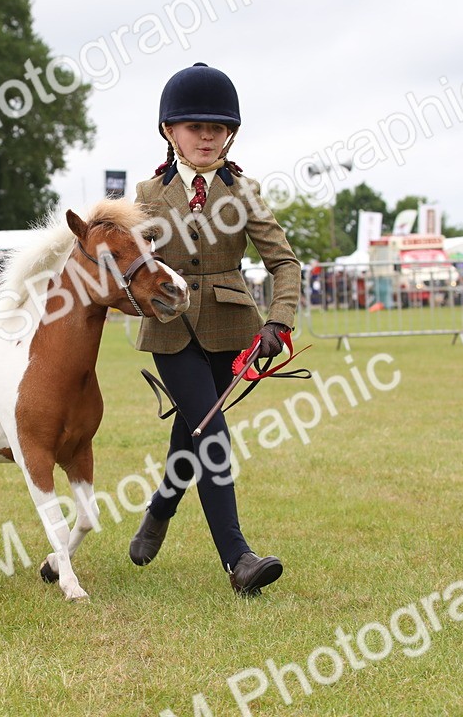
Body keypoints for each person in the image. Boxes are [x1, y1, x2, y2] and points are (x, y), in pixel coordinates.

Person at [128, 62, 302, 597]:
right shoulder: (146, 193)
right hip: (170, 328)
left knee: (192, 429)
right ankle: (239, 558)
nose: (207, 136)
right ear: (169, 131)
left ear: (230, 134)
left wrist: (279, 320)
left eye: (218, 128)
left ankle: (160, 507)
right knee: (210, 429)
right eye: (195, 126)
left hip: (233, 330)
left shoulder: (244, 192)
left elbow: (285, 263)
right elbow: (129, 265)